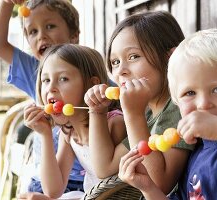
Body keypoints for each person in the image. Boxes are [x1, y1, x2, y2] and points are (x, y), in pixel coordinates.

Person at [118, 29, 217, 199]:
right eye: (190, 93)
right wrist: (148, 188)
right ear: (177, 102)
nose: (203, 104)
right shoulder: (194, 157)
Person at [84, 11, 194, 195]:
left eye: (133, 56)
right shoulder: (148, 113)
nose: (121, 71)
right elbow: (104, 167)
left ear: (170, 58)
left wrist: (133, 114)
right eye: (115, 62)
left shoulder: (179, 108)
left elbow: (158, 184)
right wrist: (97, 112)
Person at [0, 0, 84, 194]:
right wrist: (7, 3)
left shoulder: (89, 73)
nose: (42, 36)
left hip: (84, 182)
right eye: (33, 31)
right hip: (45, 180)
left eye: (50, 26)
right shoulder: (35, 71)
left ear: (73, 35)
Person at [21, 44, 126, 199]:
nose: (51, 88)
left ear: (92, 85)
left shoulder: (114, 123)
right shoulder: (69, 132)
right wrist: (45, 134)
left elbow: (116, 185)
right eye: (46, 80)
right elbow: (53, 190)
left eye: (63, 78)